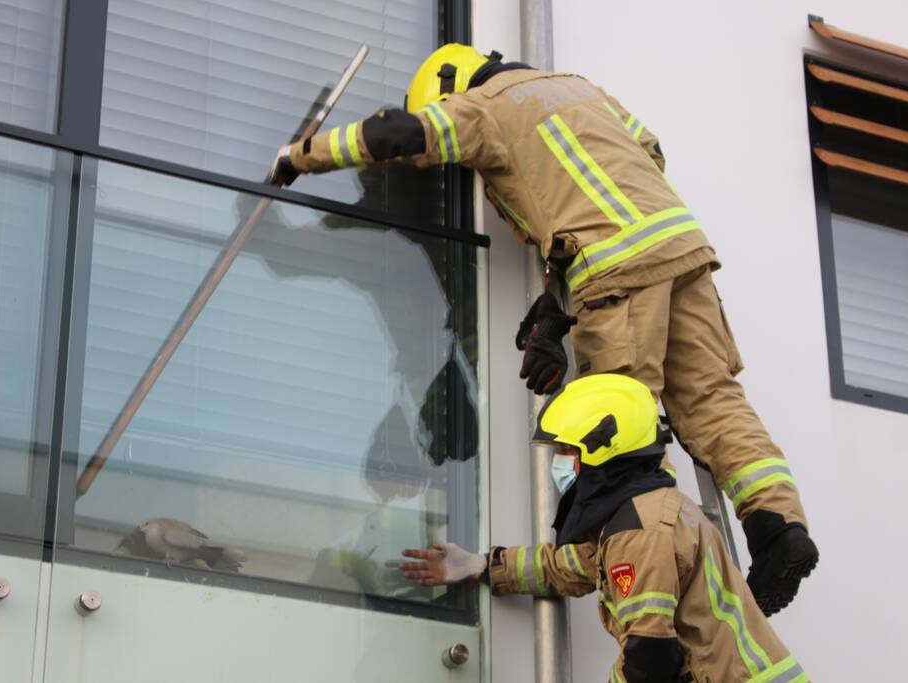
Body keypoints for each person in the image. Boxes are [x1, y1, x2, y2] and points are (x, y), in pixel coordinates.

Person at [266, 44, 816, 614]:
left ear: (447, 90)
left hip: (616, 273)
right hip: (683, 249)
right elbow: (649, 151)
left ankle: (665, 587)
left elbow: (395, 136)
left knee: (621, 442)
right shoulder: (581, 87)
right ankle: (779, 528)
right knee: (712, 399)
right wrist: (557, 293)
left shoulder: (482, 108)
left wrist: (298, 157)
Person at [398, 374, 809, 683]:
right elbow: (567, 567)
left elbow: (650, 656)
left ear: (599, 453)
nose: (560, 463)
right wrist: (480, 565)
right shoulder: (635, 515)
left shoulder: (639, 530)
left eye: (566, 452)